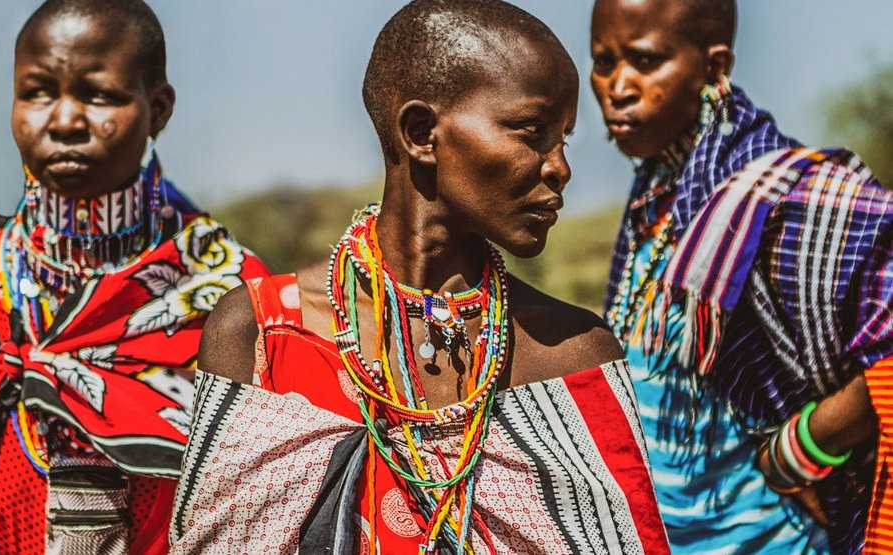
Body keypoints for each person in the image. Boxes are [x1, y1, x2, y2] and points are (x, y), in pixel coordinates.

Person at [172, 1, 669, 553]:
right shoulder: (259, 333)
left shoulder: (574, 355)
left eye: (564, 140)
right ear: (421, 133)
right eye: (532, 133)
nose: (560, 167)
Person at [0, 1, 269, 553]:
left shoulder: (224, 293)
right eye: (37, 92)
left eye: (99, 95)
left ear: (159, 108)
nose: (65, 120)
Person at [591, 0, 893, 552]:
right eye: (603, 61)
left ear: (714, 67)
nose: (617, 85)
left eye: (644, 60)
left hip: (772, 537)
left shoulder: (782, 197)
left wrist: (793, 454)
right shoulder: (659, 195)